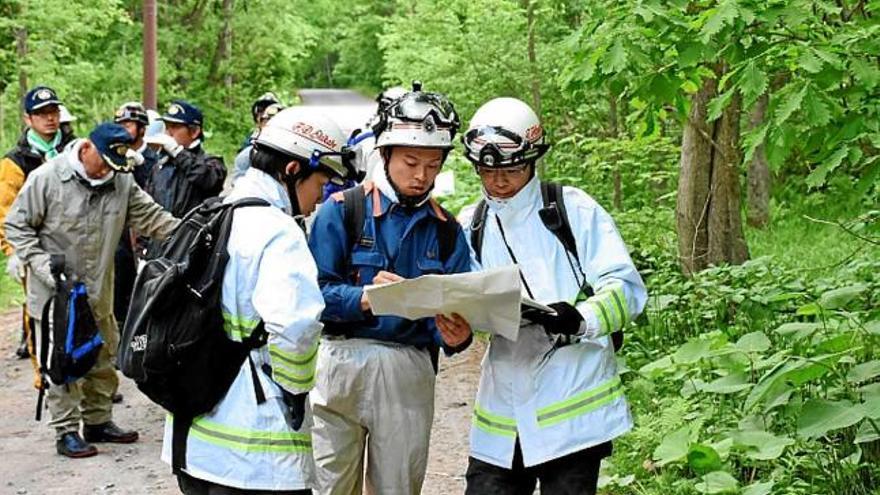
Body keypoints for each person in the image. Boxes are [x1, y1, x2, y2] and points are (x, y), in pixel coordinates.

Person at [458, 98, 648, 494]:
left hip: (573, 409)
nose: (498, 182)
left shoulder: (572, 209)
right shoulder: (471, 223)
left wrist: (580, 318)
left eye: (510, 170)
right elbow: (467, 301)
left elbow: (626, 289)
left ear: (532, 160)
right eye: (487, 171)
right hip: (503, 412)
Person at [166, 107, 358, 494]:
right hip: (255, 450)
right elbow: (296, 328)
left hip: (193, 441)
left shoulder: (214, 213)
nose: (321, 196)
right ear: (292, 170)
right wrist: (295, 395)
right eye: (320, 182)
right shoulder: (278, 231)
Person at [307, 84, 473, 495]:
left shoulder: (448, 231)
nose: (421, 176)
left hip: (408, 370)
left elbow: (456, 309)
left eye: (433, 165)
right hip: (338, 366)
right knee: (327, 487)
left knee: (398, 487)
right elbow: (310, 298)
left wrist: (457, 336)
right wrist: (363, 297)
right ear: (384, 154)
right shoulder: (342, 211)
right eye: (411, 162)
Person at [5, 122, 180, 458]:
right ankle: (66, 430)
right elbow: (17, 225)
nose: (107, 172)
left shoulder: (120, 180)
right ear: (86, 148)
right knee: (62, 361)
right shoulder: (47, 179)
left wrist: (193, 232)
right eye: (103, 162)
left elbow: (152, 218)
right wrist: (42, 266)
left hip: (99, 289)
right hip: (56, 295)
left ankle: (98, 421)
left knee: (102, 355)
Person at [0, 86, 76, 360]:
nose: (49, 118)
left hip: (75, 242)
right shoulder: (15, 161)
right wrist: (14, 252)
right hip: (35, 248)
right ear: (28, 118)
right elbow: (5, 211)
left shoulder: (74, 150)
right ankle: (45, 375)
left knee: (82, 308)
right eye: (41, 113)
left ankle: (86, 375)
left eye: (53, 111)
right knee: (40, 313)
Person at [112, 102, 160, 331]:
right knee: (118, 284)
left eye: (128, 123)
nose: (123, 129)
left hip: (147, 232)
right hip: (119, 233)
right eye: (119, 124)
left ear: (142, 128)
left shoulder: (155, 160)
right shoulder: (113, 158)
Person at [145, 100, 226, 220]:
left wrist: (178, 152)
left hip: (193, 236)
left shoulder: (211, 163)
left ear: (194, 132)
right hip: (160, 235)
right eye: (167, 126)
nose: (168, 132)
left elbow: (208, 180)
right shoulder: (160, 165)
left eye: (175, 127)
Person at [232, 102, 285, 184]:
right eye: (268, 122)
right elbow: (239, 187)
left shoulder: (297, 154)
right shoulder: (246, 156)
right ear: (261, 125)